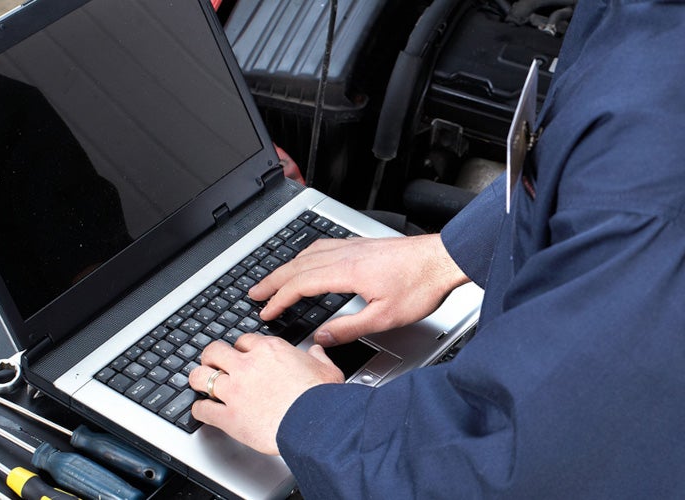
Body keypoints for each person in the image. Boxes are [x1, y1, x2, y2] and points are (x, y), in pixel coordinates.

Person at [190, 1, 685, 497]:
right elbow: (583, 155)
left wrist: (309, 418)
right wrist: (445, 255)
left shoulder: (649, 147)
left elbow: (521, 467)